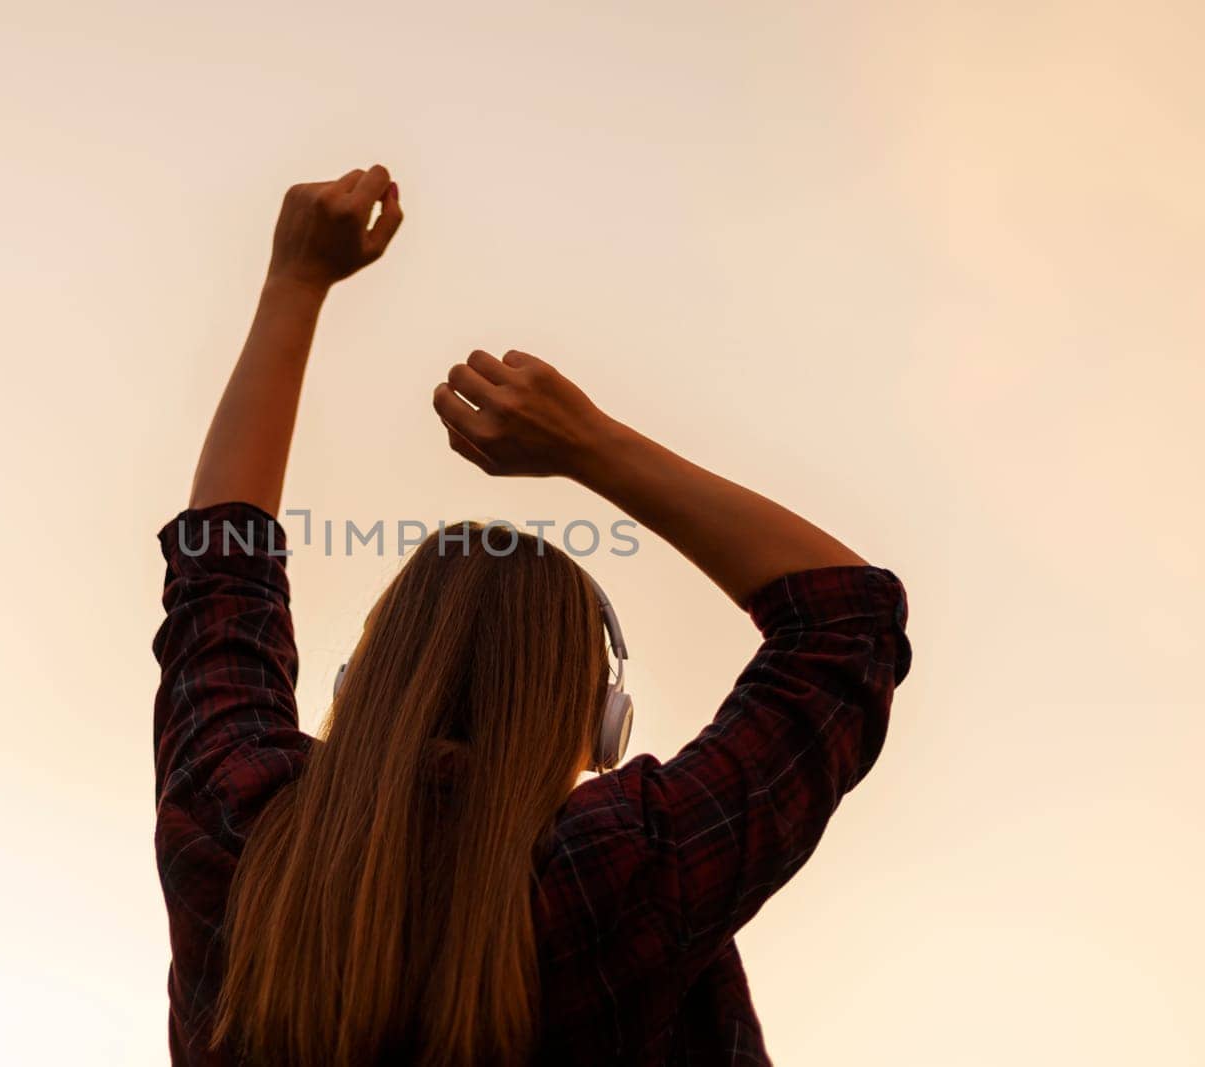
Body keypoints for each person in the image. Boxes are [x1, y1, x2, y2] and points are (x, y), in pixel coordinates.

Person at [152, 163, 912, 1066]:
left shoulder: (241, 828)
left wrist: (294, 279)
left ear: (361, 683)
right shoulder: (621, 877)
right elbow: (845, 623)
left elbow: (220, 571)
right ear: (601, 723)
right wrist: (588, 444)